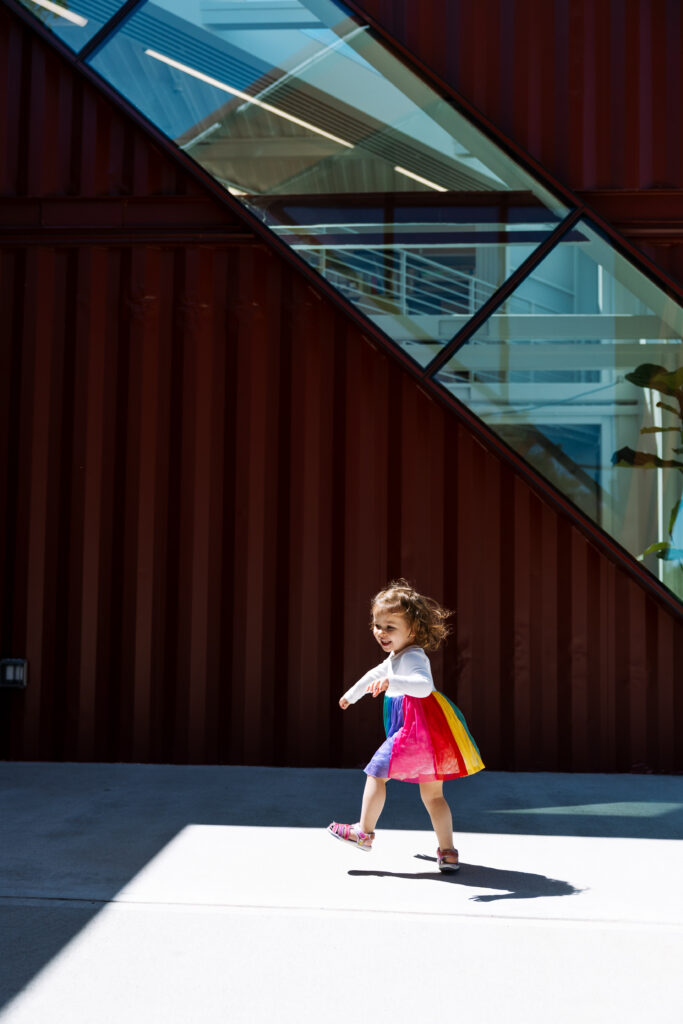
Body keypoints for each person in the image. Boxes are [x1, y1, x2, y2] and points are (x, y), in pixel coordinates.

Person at [327, 579, 484, 872]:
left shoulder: (414, 656)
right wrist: (352, 695)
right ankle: (448, 852)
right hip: (427, 735)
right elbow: (375, 672)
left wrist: (393, 681)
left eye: (390, 627)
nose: (381, 632)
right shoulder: (397, 656)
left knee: (376, 772)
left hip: (415, 730)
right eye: (377, 625)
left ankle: (364, 831)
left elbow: (424, 687)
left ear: (412, 630)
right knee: (433, 795)